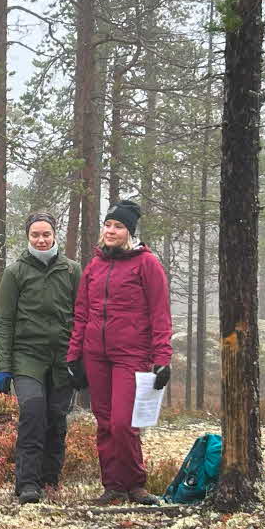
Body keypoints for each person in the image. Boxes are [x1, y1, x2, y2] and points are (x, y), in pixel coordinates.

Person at [65, 199, 172, 507]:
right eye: (108, 225)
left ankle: (136, 486)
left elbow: (160, 314)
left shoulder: (147, 264)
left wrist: (162, 359)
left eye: (118, 226)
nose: (111, 231)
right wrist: (74, 356)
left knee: (124, 423)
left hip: (131, 355)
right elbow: (82, 314)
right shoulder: (95, 265)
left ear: (130, 232)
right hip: (95, 355)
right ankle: (112, 487)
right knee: (105, 422)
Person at [0, 213, 81, 505]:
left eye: (46, 234)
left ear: (54, 235)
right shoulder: (15, 272)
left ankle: (50, 479)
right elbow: (4, 321)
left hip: (63, 358)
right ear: (28, 237)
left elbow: (83, 318)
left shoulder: (72, 271)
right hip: (27, 358)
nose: (41, 240)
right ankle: (27, 482)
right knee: (32, 412)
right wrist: (3, 367)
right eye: (35, 235)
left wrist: (81, 359)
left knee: (56, 418)